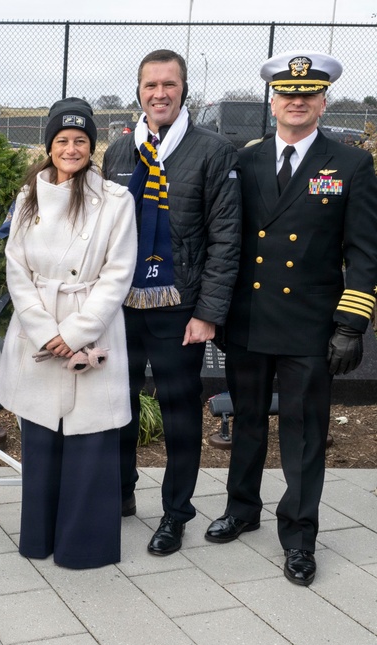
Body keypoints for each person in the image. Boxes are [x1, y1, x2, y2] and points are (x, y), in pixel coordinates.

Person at [205, 52, 377, 586]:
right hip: (251, 318)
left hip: (310, 325)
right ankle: (241, 507)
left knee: (305, 433)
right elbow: (226, 239)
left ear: (323, 101)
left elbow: (366, 251)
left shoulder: (351, 165)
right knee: (248, 421)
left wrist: (351, 324)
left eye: (307, 94)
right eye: (286, 93)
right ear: (273, 101)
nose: (296, 101)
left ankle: (300, 536)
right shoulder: (243, 161)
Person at [102, 49, 241, 556]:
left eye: (169, 85)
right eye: (150, 85)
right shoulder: (119, 153)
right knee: (118, 408)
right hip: (120, 306)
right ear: (138, 91)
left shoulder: (212, 151)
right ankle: (119, 495)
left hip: (180, 309)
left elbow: (227, 239)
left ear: (184, 91)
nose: (159, 94)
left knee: (180, 413)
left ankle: (176, 513)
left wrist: (208, 313)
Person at [0, 98, 137, 569]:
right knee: (41, 437)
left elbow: (118, 274)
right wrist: (42, 329)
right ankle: (38, 535)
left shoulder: (116, 201)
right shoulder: (27, 197)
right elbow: (16, 267)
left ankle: (83, 546)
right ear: (49, 146)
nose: (71, 149)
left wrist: (76, 331)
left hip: (90, 327)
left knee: (89, 439)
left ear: (91, 147)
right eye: (62, 141)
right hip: (38, 328)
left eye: (80, 141)